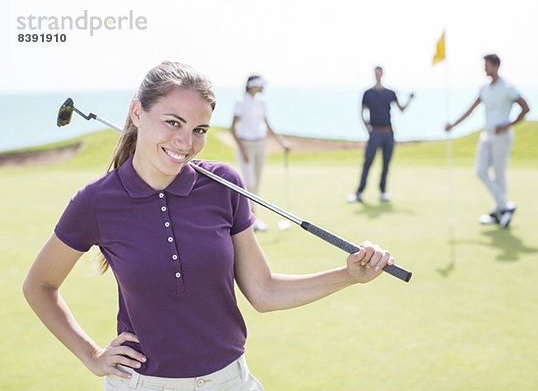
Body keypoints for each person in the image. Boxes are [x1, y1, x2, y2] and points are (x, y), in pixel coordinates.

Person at [22, 61, 395, 391]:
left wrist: (348, 276)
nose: (186, 143)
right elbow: (39, 286)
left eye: (199, 129)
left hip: (229, 381)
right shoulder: (96, 201)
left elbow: (264, 292)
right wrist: (91, 356)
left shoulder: (223, 185)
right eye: (173, 122)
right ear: (137, 112)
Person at [445, 54, 530, 228]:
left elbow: (525, 108)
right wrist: (453, 125)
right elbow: (471, 109)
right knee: (480, 170)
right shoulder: (484, 88)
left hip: (502, 135)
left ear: (496, 66)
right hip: (487, 134)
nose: (484, 68)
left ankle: (498, 211)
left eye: (487, 65)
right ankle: (505, 206)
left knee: (499, 174)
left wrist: (508, 125)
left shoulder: (508, 87)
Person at [230, 75, 290, 231]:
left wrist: (282, 142)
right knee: (248, 182)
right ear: (253, 85)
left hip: (260, 145)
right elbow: (233, 128)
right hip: (246, 145)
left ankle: (253, 219)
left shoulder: (261, 103)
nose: (263, 87)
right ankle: (250, 220)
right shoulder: (240, 102)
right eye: (261, 85)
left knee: (256, 183)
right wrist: (242, 149)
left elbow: (268, 126)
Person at [347, 66, 414, 203]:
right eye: (375, 73)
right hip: (375, 133)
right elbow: (362, 111)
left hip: (388, 133)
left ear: (382, 74)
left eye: (379, 72)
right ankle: (359, 192)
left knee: (386, 164)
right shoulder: (368, 93)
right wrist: (367, 126)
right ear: (374, 74)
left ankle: (383, 191)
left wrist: (409, 100)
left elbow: (401, 109)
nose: (377, 75)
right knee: (368, 163)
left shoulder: (390, 93)